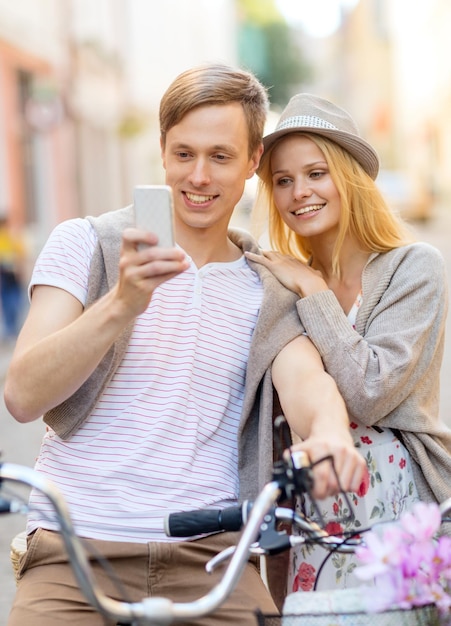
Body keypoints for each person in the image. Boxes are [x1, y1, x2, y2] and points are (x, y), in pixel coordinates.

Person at [4, 66, 366, 625]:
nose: (198, 176)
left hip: (214, 557)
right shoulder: (88, 244)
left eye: (220, 157)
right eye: (183, 154)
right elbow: (23, 395)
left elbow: (308, 386)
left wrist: (333, 437)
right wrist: (123, 303)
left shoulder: (265, 284)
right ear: (162, 151)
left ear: (252, 162)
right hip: (72, 554)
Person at [246, 92, 451, 593]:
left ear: (350, 177)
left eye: (317, 173)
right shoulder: (281, 283)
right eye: (283, 180)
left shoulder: (413, 267)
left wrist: (315, 292)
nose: (300, 193)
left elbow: (370, 391)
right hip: (313, 509)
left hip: (402, 506)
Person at [0, 216, 26, 341]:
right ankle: (11, 330)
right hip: (6, 274)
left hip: (10, 274)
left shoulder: (11, 236)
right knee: (10, 302)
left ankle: (12, 329)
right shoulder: (10, 236)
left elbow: (20, 254)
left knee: (12, 302)